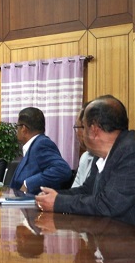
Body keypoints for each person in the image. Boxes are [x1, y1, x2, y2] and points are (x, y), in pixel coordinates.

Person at [36, 95, 135, 224]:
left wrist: (58, 202)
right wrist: (55, 195)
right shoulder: (100, 155)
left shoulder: (130, 151)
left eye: (83, 127)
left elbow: (109, 205)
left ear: (94, 130)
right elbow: (87, 191)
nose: (81, 133)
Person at [9, 107, 73, 194]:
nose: (17, 130)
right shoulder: (33, 145)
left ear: (24, 129)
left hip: (32, 201)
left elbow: (62, 170)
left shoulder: (41, 144)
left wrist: (28, 184)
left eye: (17, 126)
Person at [71, 106, 96, 188]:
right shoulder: (85, 157)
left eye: (77, 128)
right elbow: (76, 189)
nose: (77, 133)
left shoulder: (108, 159)